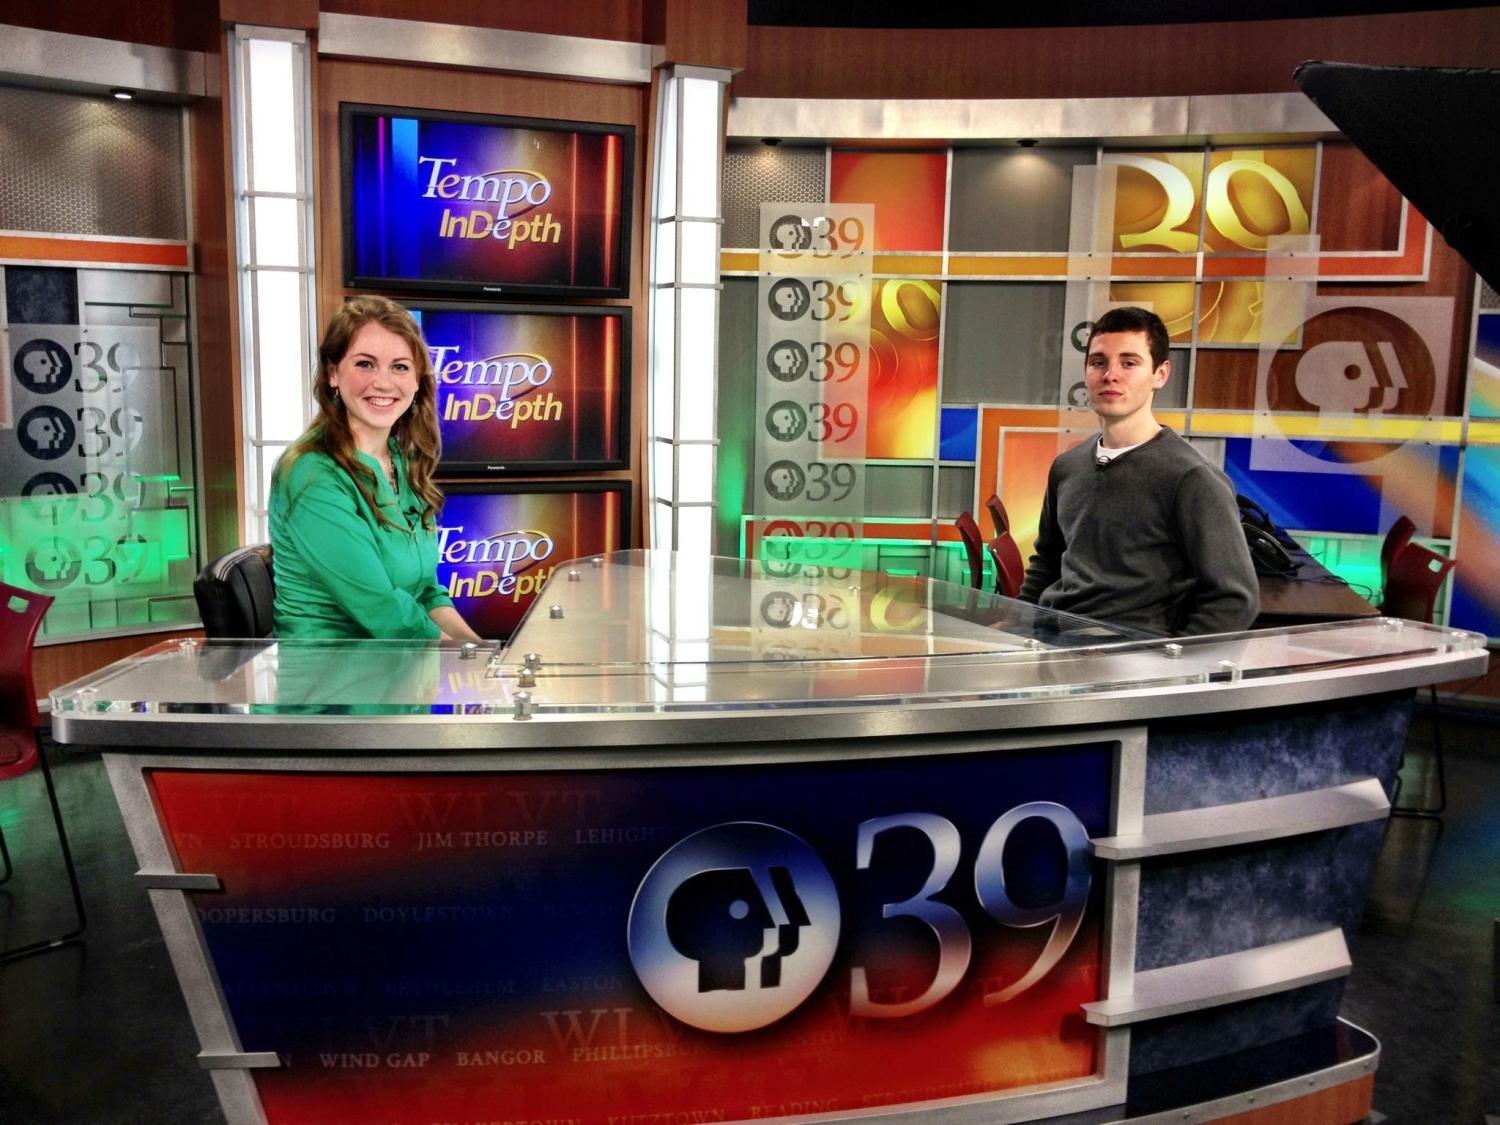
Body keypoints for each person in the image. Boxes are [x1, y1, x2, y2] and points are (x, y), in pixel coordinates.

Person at [1018, 306, 1258, 636]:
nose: (1110, 375)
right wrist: (1017, 626)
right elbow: (1047, 561)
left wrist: (1169, 665)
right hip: (1052, 647)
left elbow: (1235, 599)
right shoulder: (1067, 467)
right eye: (1098, 362)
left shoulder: (1191, 477)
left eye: (1129, 363)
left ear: (1160, 373)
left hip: (1131, 660)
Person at [269, 295, 482, 642]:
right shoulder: (310, 474)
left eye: (400, 366)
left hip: (401, 673)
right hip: (331, 684)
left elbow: (426, 591)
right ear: (333, 373)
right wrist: (465, 664)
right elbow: (382, 609)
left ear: (417, 382)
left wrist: (483, 655)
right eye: (365, 364)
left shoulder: (403, 459)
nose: (383, 382)